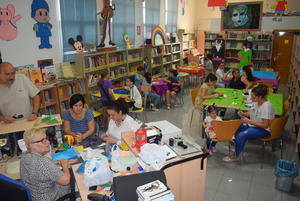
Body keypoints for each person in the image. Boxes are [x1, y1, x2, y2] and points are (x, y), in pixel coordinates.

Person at [223, 84, 275, 162]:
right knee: (234, 125)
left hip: (264, 130)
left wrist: (249, 121)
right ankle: (236, 145)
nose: (251, 98)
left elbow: (265, 125)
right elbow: (252, 111)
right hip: (254, 125)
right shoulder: (257, 101)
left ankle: (236, 155)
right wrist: (244, 114)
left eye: (253, 97)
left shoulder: (266, 107)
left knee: (242, 135)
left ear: (260, 97)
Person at [0, 62, 40, 156]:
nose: (11, 77)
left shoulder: (22, 78)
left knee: (33, 152)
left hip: (28, 123)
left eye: (13, 73)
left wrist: (34, 113)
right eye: (7, 74)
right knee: (14, 154)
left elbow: (36, 96)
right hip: (9, 127)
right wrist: (2, 118)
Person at [20, 128, 71, 201]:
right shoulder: (43, 162)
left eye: (46, 139)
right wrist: (64, 165)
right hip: (51, 198)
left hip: (35, 196)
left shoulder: (24, 156)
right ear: (31, 145)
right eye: (42, 141)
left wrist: (53, 163)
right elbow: (65, 181)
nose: (48, 142)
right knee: (71, 175)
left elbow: (40, 169)